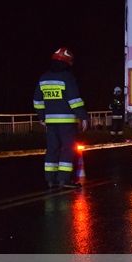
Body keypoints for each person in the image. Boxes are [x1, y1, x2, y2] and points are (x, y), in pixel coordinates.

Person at [33, 47, 88, 190]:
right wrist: (83, 117)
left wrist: (41, 117)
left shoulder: (43, 78)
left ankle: (50, 180)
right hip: (67, 121)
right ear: (67, 63)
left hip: (50, 122)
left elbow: (37, 101)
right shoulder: (67, 77)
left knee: (52, 149)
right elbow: (74, 100)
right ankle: (64, 179)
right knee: (67, 149)